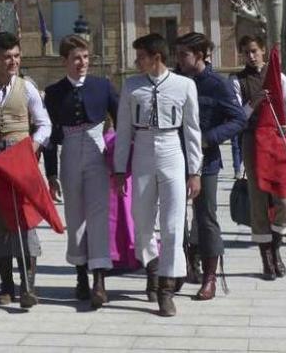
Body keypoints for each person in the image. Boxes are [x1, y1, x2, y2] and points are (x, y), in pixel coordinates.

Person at [113, 33, 201, 317]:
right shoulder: (131, 86)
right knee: (141, 219)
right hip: (142, 150)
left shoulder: (184, 85)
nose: (136, 61)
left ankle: (166, 287)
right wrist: (118, 168)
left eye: (141, 56)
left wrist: (194, 171)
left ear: (156, 58)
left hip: (172, 149)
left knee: (174, 222)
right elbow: (123, 130)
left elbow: (192, 130)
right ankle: (151, 264)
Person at [0, 32, 52, 309]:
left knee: (25, 217)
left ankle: (29, 283)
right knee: (1, 220)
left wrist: (34, 146)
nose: (13, 61)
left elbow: (44, 124)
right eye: (7, 57)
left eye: (16, 56)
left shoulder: (27, 88)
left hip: (21, 157)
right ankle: (6, 285)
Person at [43, 35, 118, 309]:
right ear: (64, 61)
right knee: (75, 217)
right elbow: (50, 136)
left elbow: (121, 122)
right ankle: (80, 276)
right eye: (76, 58)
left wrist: (120, 161)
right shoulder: (53, 93)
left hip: (98, 149)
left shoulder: (103, 86)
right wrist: (50, 174)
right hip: (71, 151)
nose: (82, 63)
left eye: (85, 57)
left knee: (99, 215)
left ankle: (99, 280)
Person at [174, 33, 246, 300]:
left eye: (184, 54)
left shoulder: (218, 85)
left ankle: (210, 277)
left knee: (206, 218)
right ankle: (178, 269)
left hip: (206, 162)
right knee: (174, 218)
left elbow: (238, 120)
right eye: (177, 54)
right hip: (175, 159)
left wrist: (208, 138)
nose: (178, 60)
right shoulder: (175, 81)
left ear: (201, 55)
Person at [229, 35, 286, 281]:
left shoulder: (278, 77)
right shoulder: (237, 81)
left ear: (262, 51)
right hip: (252, 141)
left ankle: (276, 246)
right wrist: (254, 102)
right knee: (258, 199)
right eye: (246, 52)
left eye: (254, 51)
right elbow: (238, 115)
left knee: (285, 201)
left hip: (278, 140)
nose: (250, 56)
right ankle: (266, 258)